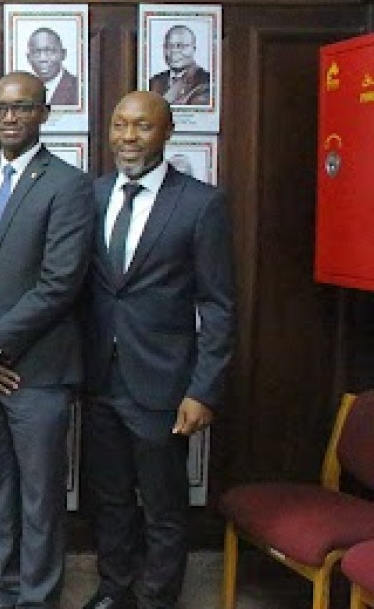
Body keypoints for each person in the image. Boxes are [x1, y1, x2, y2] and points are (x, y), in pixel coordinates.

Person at [80, 91, 235, 609]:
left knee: (164, 506)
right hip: (100, 376)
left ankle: (157, 600)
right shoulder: (92, 195)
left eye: (142, 127)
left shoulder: (200, 203)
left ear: (167, 132)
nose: (128, 137)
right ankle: (113, 590)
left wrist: (203, 389)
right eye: (120, 125)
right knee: (110, 498)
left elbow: (217, 306)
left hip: (165, 385)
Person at [0, 72, 95, 609]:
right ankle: (4, 589)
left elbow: (60, 282)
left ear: (43, 114)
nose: (10, 118)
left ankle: (37, 598)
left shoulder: (68, 184)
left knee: (39, 497)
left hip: (40, 371)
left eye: (22, 108)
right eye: (1, 109)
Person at [148, 25, 211, 106]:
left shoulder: (206, 81)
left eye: (180, 46)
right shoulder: (154, 81)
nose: (174, 51)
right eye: (169, 46)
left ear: (193, 49)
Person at [26, 27, 79, 106]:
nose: (43, 59)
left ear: (63, 54)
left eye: (49, 51)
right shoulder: (23, 89)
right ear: (28, 58)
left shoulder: (78, 88)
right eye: (36, 52)